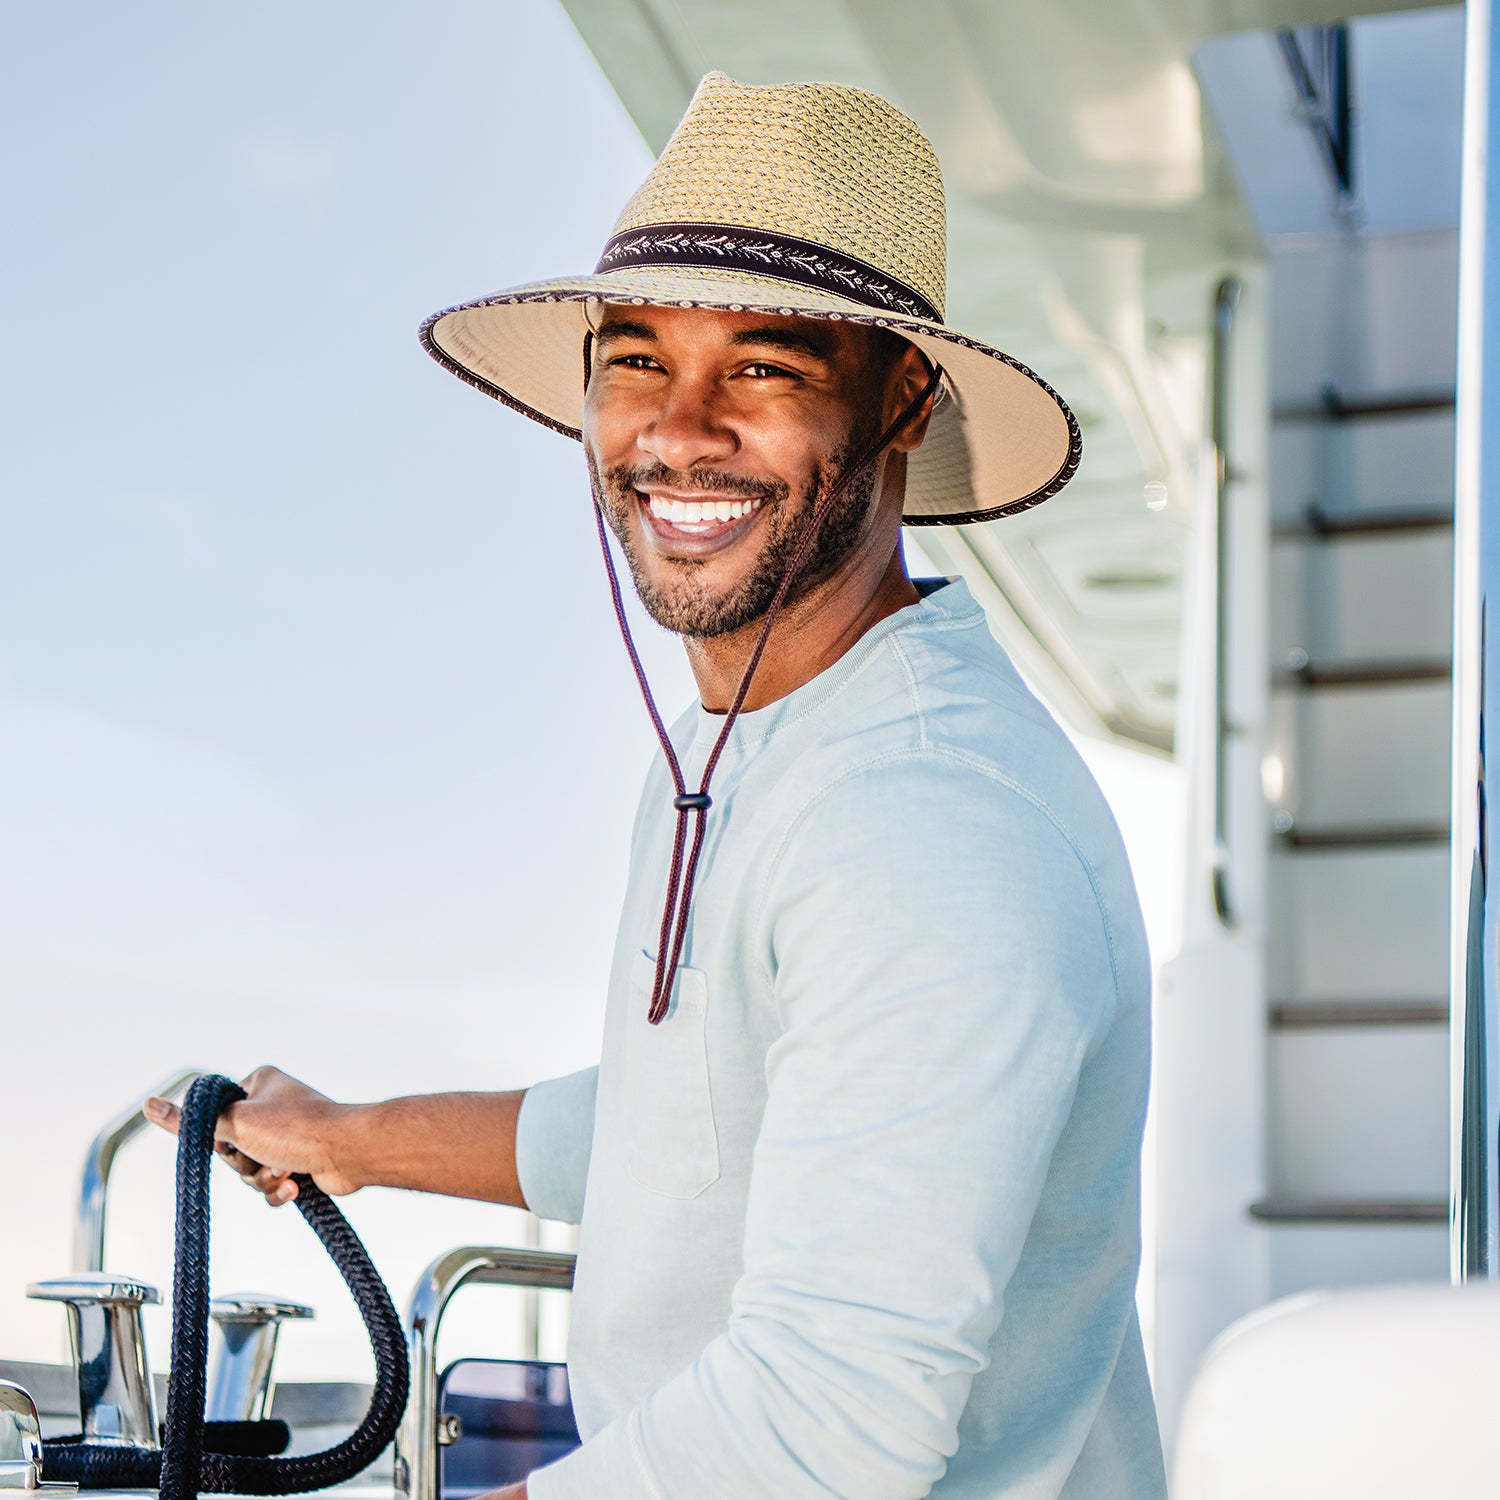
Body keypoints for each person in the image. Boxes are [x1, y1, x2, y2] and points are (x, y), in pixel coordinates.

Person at [147, 72, 1167, 1499]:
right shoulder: (758, 740)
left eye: (763, 366)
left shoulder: (927, 819)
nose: (679, 433)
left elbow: (827, 1428)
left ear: (901, 399)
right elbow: (677, 1129)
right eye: (638, 362)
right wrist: (348, 1139)